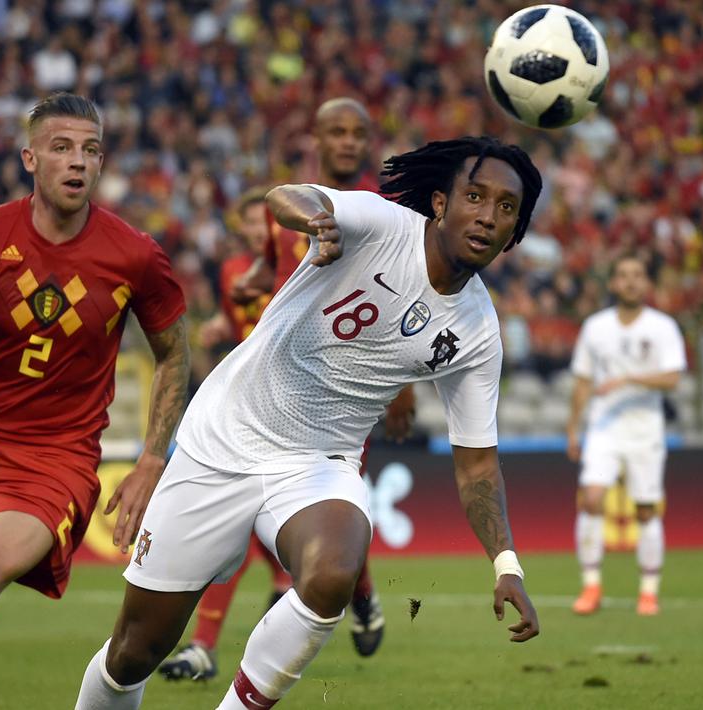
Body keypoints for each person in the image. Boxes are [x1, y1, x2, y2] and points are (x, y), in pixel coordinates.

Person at [75, 136, 543, 710]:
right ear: (441, 203)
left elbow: (476, 467)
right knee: (134, 651)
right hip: (223, 438)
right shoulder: (380, 223)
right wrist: (318, 220)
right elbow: (283, 195)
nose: (487, 216)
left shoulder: (476, 333)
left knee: (334, 572)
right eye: (476, 196)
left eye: (505, 209)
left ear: (515, 232)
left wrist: (506, 563)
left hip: (318, 464)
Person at [0, 93, 190, 710]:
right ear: (30, 158)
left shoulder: (134, 255)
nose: (78, 161)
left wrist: (153, 458)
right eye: (62, 147)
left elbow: (175, 355)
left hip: (54, 459)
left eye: (91, 150)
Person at [159, 98, 413, 682]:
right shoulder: (295, 205)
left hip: (343, 395)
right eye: (336, 133)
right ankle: (207, 645)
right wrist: (248, 284)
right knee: (256, 516)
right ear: (316, 141)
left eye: (358, 133)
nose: (348, 143)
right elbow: (272, 266)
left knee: (336, 509)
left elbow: (403, 299)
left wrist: (401, 384)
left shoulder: (387, 212)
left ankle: (363, 591)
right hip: (271, 391)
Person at [159, 187, 294, 683]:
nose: (261, 232)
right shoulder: (235, 271)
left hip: (301, 414)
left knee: (270, 525)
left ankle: (305, 589)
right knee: (238, 525)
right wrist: (220, 326)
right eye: (253, 226)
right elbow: (244, 329)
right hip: (250, 411)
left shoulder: (304, 263)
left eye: (267, 223)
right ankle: (203, 646)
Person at [565, 254, 686, 617]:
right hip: (604, 426)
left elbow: (673, 378)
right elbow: (583, 380)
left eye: (637, 275)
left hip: (645, 427)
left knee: (646, 509)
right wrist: (573, 427)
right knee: (591, 497)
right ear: (614, 283)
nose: (631, 281)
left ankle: (648, 590)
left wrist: (630, 379)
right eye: (623, 275)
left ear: (645, 283)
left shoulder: (662, 326)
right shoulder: (595, 327)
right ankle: (591, 585)